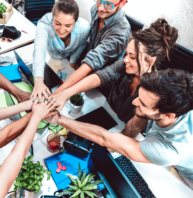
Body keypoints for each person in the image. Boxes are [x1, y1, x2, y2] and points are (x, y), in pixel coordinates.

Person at [46, 69, 193, 189]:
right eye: (139, 96)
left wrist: (58, 119)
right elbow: (134, 126)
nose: (135, 102)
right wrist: (119, 143)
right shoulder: (171, 96)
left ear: (168, 115)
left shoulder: (170, 150)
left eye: (142, 103)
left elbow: (105, 138)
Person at [51, 18, 178, 123]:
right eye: (126, 54)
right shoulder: (124, 65)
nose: (126, 60)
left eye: (132, 57)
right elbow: (100, 76)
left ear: (150, 61)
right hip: (104, 113)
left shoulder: (155, 91)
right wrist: (65, 94)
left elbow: (137, 126)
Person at [52, 0, 131, 97]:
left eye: (108, 4)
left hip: (102, 84)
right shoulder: (95, 9)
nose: (101, 8)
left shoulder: (120, 33)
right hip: (85, 70)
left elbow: (94, 59)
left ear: (122, 4)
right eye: (99, 0)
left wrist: (56, 94)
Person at [31, 0, 90, 100]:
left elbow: (81, 45)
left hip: (68, 60)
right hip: (53, 57)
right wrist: (38, 80)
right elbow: (39, 49)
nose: (62, 30)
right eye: (57, 23)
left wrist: (73, 60)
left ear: (76, 21)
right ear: (52, 18)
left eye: (68, 26)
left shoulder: (84, 27)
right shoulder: (45, 22)